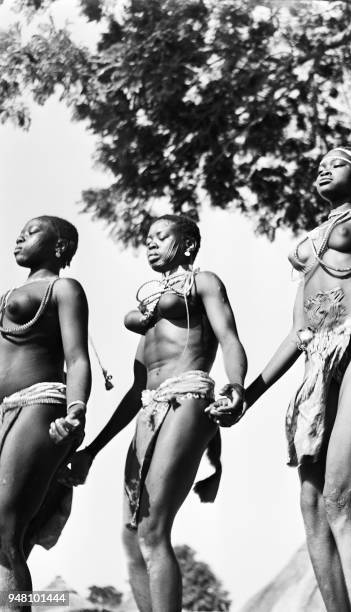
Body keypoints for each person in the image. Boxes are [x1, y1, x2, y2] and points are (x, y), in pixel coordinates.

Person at [212, 146, 351, 612]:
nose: (324, 167)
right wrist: (247, 394)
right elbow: (297, 332)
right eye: (320, 164)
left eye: (338, 162)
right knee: (312, 505)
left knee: (341, 496)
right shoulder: (308, 246)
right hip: (316, 358)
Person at [68, 215, 247, 612]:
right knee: (133, 536)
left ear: (186, 246)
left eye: (160, 237)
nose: (149, 244)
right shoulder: (151, 315)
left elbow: (230, 339)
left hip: (187, 396)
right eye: (147, 239)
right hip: (149, 410)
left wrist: (235, 385)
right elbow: (136, 391)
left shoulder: (203, 282)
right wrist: (91, 452)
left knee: (152, 529)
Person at [0, 216, 91, 609]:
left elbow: (77, 357)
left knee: (4, 529)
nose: (20, 236)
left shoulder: (63, 288)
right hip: (4, 410)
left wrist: (77, 410)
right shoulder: (11, 292)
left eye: (33, 231)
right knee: (6, 538)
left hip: (40, 404)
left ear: (59, 247)